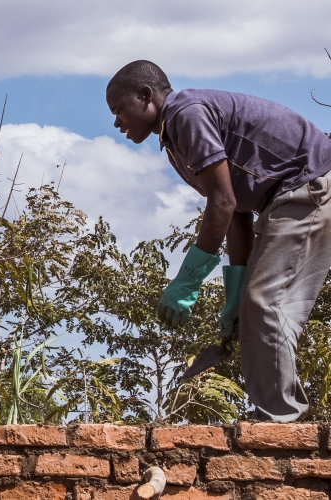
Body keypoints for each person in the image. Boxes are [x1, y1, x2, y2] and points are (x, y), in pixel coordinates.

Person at [106, 60, 331, 422]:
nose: (117, 121)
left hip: (308, 188)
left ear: (146, 96)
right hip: (280, 200)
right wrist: (233, 294)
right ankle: (274, 417)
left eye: (120, 109)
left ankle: (278, 424)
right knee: (251, 304)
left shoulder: (186, 115)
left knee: (267, 303)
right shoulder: (174, 137)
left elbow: (222, 202)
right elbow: (236, 210)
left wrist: (187, 282)